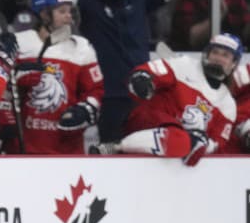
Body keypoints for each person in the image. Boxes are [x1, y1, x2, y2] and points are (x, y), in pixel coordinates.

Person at [42, 0, 210, 141]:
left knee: (144, 156)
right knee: (112, 155)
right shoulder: (88, 6)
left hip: (144, 97)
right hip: (110, 100)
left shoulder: (140, 0)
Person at [0, 0, 105, 154]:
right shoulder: (16, 43)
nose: (69, 16)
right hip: (21, 148)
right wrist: (1, 109)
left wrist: (85, 110)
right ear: (44, 14)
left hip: (66, 149)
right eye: (62, 11)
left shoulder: (81, 48)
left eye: (70, 11)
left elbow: (95, 90)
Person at [91, 33, 240, 166]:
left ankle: (120, 147)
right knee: (180, 139)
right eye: (215, 52)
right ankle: (115, 146)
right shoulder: (184, 65)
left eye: (225, 55)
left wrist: (200, 142)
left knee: (181, 141)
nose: (218, 58)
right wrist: (142, 78)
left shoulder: (228, 105)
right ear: (206, 54)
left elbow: (217, 142)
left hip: (173, 147)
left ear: (234, 63)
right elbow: (147, 72)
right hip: (148, 122)